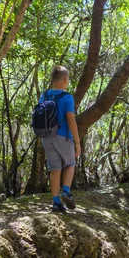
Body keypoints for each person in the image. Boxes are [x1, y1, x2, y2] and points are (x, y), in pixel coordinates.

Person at [40, 65, 81, 212]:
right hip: (63, 137)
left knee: (54, 168)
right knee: (70, 163)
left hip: (46, 138)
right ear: (65, 80)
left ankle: (56, 202)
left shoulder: (44, 95)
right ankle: (66, 191)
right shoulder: (67, 97)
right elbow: (71, 120)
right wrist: (77, 142)